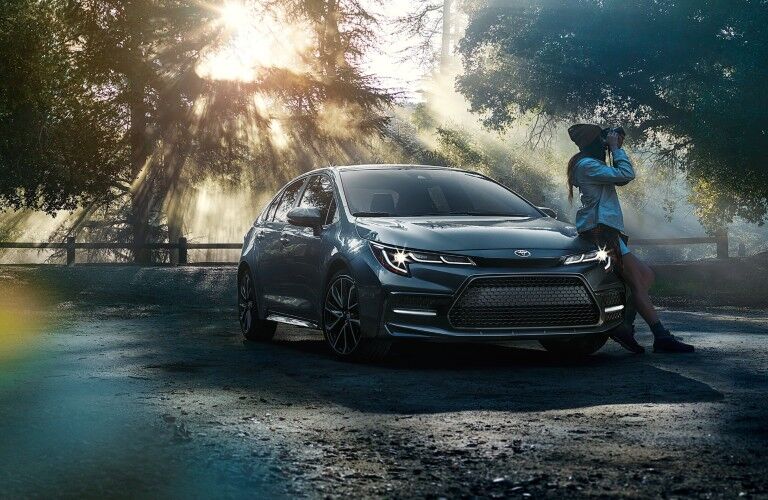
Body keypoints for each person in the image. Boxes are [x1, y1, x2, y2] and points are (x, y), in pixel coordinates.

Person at [567, 123, 694, 354]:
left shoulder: (592, 164)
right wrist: (615, 149)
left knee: (645, 275)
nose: (605, 142)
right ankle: (659, 335)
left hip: (607, 231)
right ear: (593, 143)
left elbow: (622, 179)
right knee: (637, 280)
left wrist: (616, 148)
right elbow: (626, 174)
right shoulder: (587, 165)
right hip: (600, 232)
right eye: (601, 139)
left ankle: (624, 325)